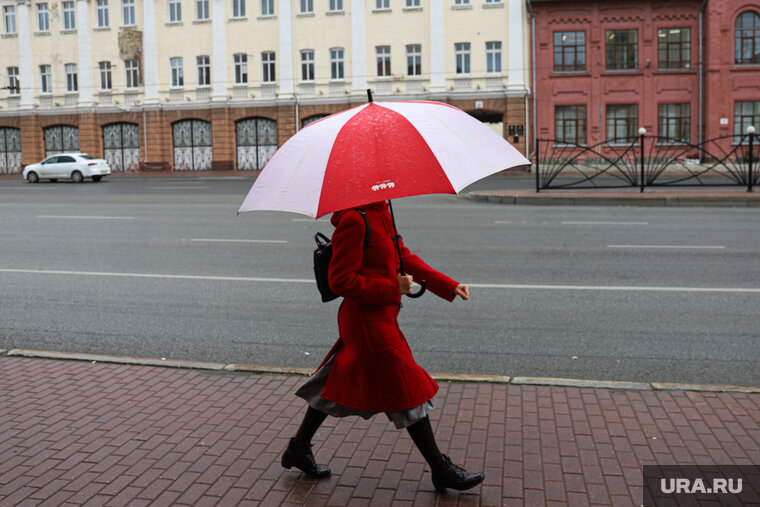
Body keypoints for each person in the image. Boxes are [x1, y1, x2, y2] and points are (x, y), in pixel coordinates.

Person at [281, 201, 484, 492]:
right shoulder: (355, 219)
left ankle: (299, 449)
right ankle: (441, 469)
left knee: (336, 378)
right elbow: (340, 280)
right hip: (367, 324)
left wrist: (447, 285)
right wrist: (392, 288)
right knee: (407, 388)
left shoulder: (382, 212)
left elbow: (402, 257)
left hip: (382, 318)